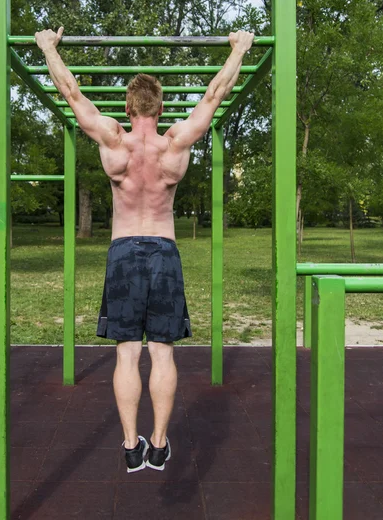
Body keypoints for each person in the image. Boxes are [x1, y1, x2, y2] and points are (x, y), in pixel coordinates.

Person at [35, 28, 255, 473]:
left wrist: (47, 49)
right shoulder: (175, 143)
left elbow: (71, 91)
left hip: (123, 252)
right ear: (160, 106)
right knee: (162, 352)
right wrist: (239, 51)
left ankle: (130, 444)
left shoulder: (113, 141)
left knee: (126, 353)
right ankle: (159, 443)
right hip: (163, 250)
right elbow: (215, 94)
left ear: (129, 107)